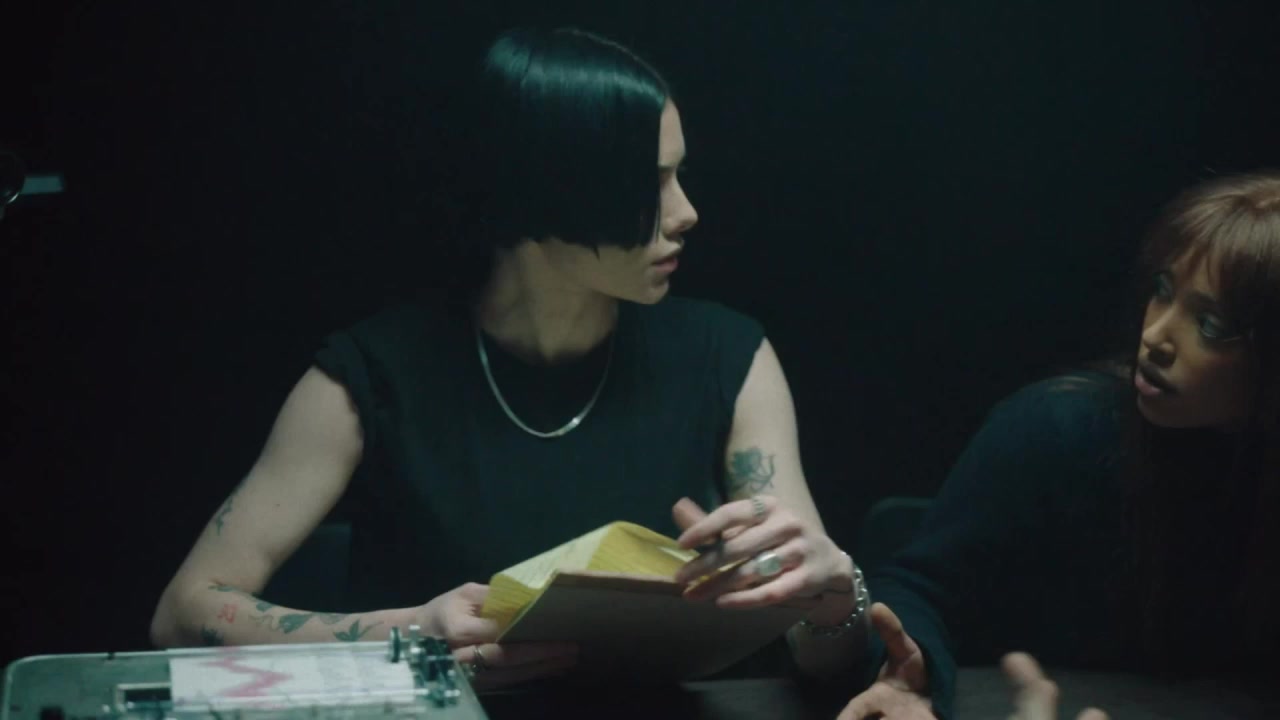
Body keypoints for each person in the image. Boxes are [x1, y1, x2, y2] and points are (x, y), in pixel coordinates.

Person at [149, 27, 868, 687]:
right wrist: (411, 631)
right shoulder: (371, 375)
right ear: (549, 188)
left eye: (678, 175)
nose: (686, 213)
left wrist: (834, 595)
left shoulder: (728, 356)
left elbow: (825, 655)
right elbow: (183, 612)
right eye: (650, 182)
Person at [838, 171, 1280, 719]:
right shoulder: (1060, 426)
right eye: (1163, 291)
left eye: (1210, 324)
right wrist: (908, 676)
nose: (1156, 337)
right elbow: (918, 587)